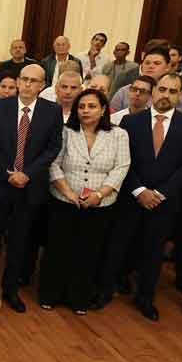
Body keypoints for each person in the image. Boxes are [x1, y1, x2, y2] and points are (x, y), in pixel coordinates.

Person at [96, 73, 182, 321]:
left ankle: (145, 298)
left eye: (173, 91)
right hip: (130, 198)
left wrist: (160, 193)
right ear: (152, 92)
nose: (166, 95)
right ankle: (104, 291)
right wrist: (139, 190)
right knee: (117, 246)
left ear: (181, 96)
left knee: (154, 253)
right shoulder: (131, 123)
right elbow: (122, 161)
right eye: (162, 89)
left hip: (164, 202)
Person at [0, 63, 63, 312]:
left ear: (42, 85)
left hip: (30, 188)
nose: (27, 84)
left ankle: (10, 291)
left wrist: (28, 174)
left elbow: (52, 148)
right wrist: (8, 173)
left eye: (33, 81)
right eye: (23, 79)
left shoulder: (52, 111)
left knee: (19, 244)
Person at [38, 88, 130, 315]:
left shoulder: (119, 135)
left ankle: (79, 298)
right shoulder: (65, 132)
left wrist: (99, 194)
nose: (86, 110)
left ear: (103, 110)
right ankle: (50, 294)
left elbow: (121, 167)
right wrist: (68, 193)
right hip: (64, 200)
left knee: (88, 252)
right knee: (58, 249)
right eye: (81, 106)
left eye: (91, 106)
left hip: (100, 204)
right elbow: (53, 163)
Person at [110, 46, 170, 111]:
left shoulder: (171, 93)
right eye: (147, 63)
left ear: (167, 67)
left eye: (157, 63)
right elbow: (112, 117)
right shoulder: (125, 91)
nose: (151, 66)